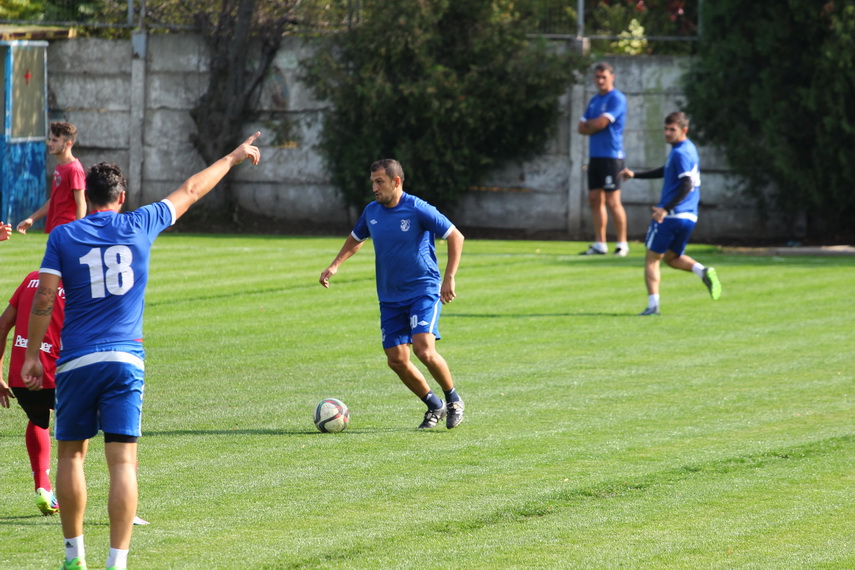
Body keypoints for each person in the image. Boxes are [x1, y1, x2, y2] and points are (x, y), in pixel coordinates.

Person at [21, 132, 261, 570]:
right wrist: (232, 157)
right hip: (126, 360)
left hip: (75, 360)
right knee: (123, 461)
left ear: (88, 197)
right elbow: (190, 189)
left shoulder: (64, 236)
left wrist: (34, 353)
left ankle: (74, 558)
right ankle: (118, 562)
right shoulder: (140, 223)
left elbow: (43, 299)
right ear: (122, 196)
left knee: (72, 455)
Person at [320, 159, 465, 430]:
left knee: (423, 348)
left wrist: (449, 277)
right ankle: (434, 405)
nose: (374, 188)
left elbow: (455, 236)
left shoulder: (417, 208)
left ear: (396, 182)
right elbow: (356, 237)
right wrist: (335, 265)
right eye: (373, 182)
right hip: (389, 296)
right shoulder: (372, 211)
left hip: (423, 289)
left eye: (380, 182)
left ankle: (454, 399)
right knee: (396, 360)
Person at [619, 112, 721, 315]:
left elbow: (686, 183)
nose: (667, 133)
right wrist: (635, 175)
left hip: (672, 215)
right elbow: (667, 171)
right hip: (690, 217)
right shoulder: (688, 149)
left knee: (651, 259)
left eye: (672, 129)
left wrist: (665, 209)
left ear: (684, 130)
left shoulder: (681, 152)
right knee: (672, 258)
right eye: (665, 129)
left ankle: (652, 306)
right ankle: (703, 271)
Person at [0, 271, 65, 516]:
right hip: (59, 374)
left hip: (22, 375)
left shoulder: (31, 279)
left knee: (38, 419)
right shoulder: (79, 282)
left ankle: (43, 486)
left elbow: (3, 324)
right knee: (82, 435)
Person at [577, 62, 630, 257]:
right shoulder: (593, 101)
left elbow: (600, 123)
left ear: (612, 77)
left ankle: (622, 244)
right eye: (597, 77)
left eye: (603, 77)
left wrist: (593, 124)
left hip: (612, 157)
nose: (600, 81)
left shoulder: (617, 98)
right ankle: (600, 244)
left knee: (613, 200)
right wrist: (593, 124)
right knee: (594, 199)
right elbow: (580, 128)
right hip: (595, 157)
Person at [17, 122, 87, 235]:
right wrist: (32, 218)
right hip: (55, 228)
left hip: (68, 230)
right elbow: (54, 200)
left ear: (68, 143)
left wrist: (77, 232)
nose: (50, 143)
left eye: (55, 140)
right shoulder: (60, 167)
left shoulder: (74, 169)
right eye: (49, 139)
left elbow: (81, 203)